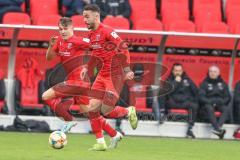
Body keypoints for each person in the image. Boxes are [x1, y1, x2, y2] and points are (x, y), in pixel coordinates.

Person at [42, 17, 125, 151]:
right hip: (76, 82)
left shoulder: (78, 41)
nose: (63, 32)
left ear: (72, 28)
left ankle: (69, 120)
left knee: (46, 96)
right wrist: (51, 46)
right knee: (90, 112)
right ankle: (114, 134)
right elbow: (49, 58)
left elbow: (97, 46)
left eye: (65, 29)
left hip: (79, 82)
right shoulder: (58, 41)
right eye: (60, 29)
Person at [81, 4, 138, 150]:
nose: (84, 20)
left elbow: (123, 47)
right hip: (101, 75)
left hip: (115, 75)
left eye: (87, 16)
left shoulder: (107, 31)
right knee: (91, 109)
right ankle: (101, 142)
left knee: (106, 110)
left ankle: (128, 111)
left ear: (96, 16)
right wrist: (87, 68)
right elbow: (95, 54)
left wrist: (126, 70)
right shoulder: (91, 35)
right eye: (83, 17)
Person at [162, 63, 198, 138]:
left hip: (185, 103)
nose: (178, 72)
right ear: (172, 71)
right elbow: (167, 92)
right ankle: (163, 117)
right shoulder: (169, 79)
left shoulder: (187, 79)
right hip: (173, 103)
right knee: (166, 101)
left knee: (194, 106)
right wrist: (176, 82)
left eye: (179, 70)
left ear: (182, 71)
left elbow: (196, 91)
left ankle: (190, 129)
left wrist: (190, 99)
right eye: (176, 70)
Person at [199, 65, 230, 139]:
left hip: (220, 104)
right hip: (208, 105)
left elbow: (228, 97)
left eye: (214, 71)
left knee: (226, 109)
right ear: (208, 73)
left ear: (218, 73)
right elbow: (201, 97)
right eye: (211, 71)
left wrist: (220, 102)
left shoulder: (223, 83)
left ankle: (217, 128)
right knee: (209, 108)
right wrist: (211, 102)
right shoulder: (204, 83)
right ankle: (218, 129)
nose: (212, 73)